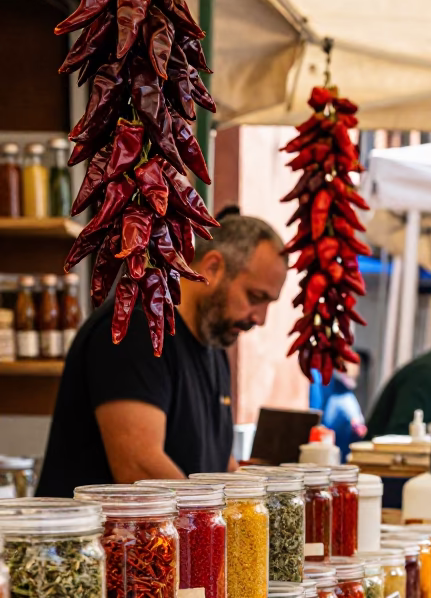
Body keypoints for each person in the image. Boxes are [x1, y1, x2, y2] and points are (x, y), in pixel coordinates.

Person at [37, 213, 288, 496]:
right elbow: (139, 468)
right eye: (255, 297)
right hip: (89, 538)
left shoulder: (213, 342)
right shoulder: (136, 328)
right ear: (213, 267)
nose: (261, 318)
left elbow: (216, 462)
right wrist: (211, 525)